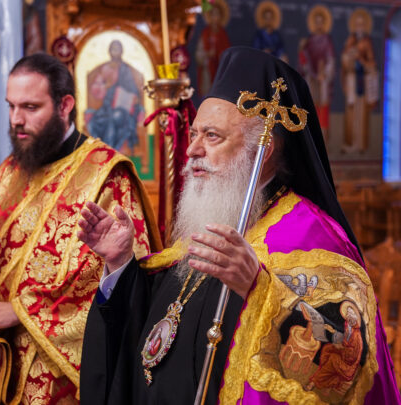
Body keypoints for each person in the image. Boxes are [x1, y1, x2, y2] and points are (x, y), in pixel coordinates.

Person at [78, 46, 400, 404]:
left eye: (212, 136)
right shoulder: (216, 216)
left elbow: (347, 358)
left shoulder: (312, 234)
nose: (192, 149)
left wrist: (259, 289)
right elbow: (156, 322)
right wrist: (120, 265)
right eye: (194, 134)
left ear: (263, 150)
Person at [0, 53, 161, 405]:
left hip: (63, 380)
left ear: (65, 105)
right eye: (11, 106)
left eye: (30, 107)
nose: (16, 120)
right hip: (2, 365)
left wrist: (18, 311)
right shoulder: (7, 174)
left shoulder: (107, 175)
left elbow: (124, 280)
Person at [341, 8, 378, 154]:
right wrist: (348, 59)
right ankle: (350, 143)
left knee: (361, 113)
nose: (359, 27)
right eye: (357, 24)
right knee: (350, 112)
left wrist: (360, 59)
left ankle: (361, 144)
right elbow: (344, 61)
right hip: (352, 81)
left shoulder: (367, 42)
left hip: (363, 81)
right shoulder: (350, 40)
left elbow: (372, 64)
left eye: (362, 24)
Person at [298, 5, 335, 141]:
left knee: (323, 107)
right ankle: (311, 137)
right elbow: (304, 59)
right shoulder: (309, 41)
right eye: (317, 22)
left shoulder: (327, 40)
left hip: (323, 79)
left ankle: (323, 137)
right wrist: (302, 50)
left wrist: (324, 74)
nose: (319, 25)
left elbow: (330, 60)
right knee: (311, 106)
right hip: (311, 78)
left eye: (321, 22)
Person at [195, 0, 230, 95]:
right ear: (209, 16)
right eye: (213, 14)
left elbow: (228, 53)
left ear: (221, 16)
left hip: (220, 70)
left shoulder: (223, 34)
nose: (215, 17)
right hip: (207, 71)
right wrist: (207, 54)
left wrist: (220, 55)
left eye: (217, 14)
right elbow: (198, 54)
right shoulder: (205, 33)